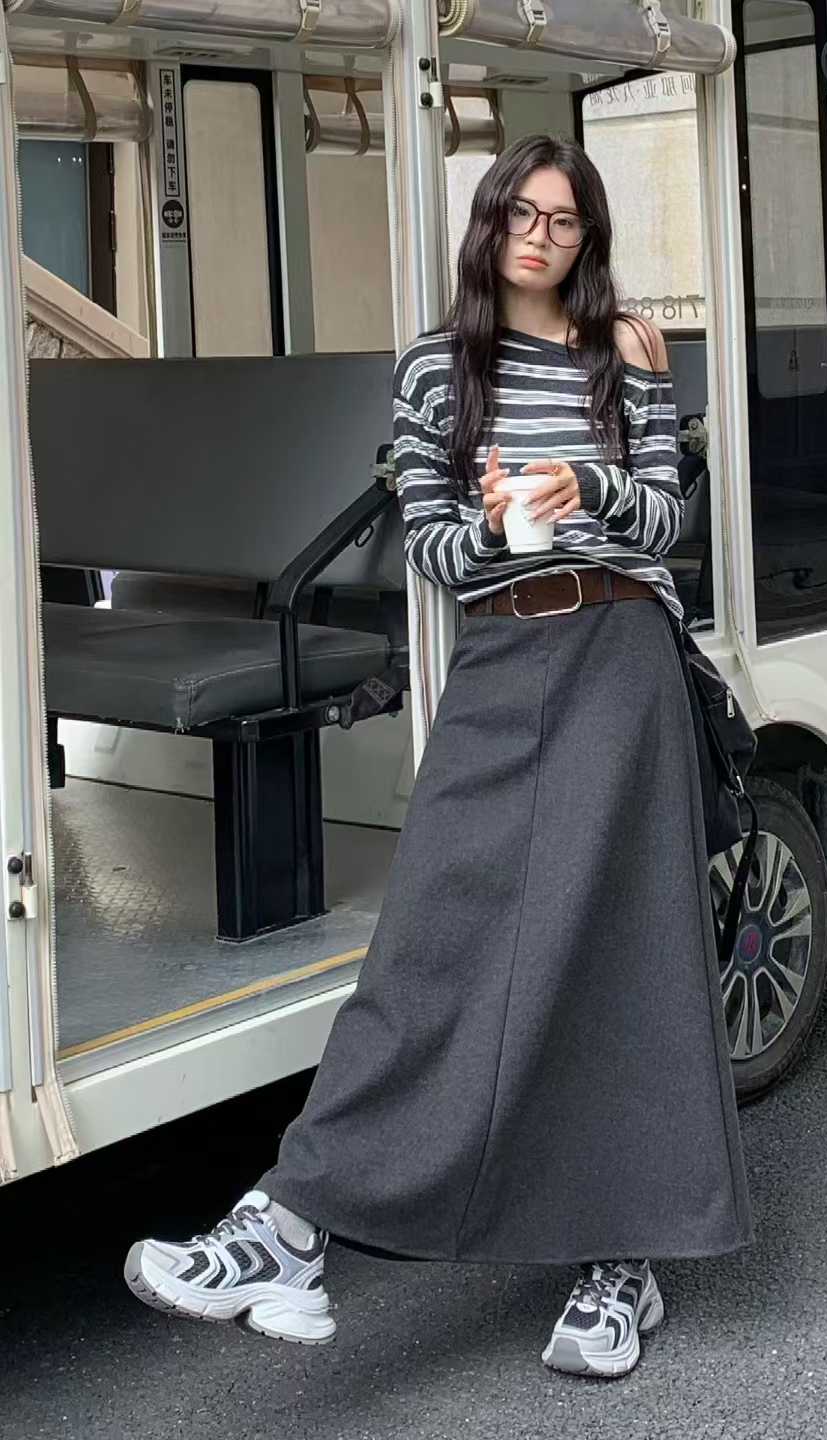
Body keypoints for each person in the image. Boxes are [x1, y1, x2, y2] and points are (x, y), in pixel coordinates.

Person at [124, 132, 752, 1380]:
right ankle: (292, 1226)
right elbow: (432, 546)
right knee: (429, 942)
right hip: (504, 653)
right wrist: (503, 520)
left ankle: (622, 1267)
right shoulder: (434, 367)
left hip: (622, 651)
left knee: (627, 951)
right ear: (488, 222)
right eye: (521, 214)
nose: (540, 238)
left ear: (588, 236)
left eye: (564, 220)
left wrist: (586, 491)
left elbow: (669, 519)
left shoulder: (629, 347)